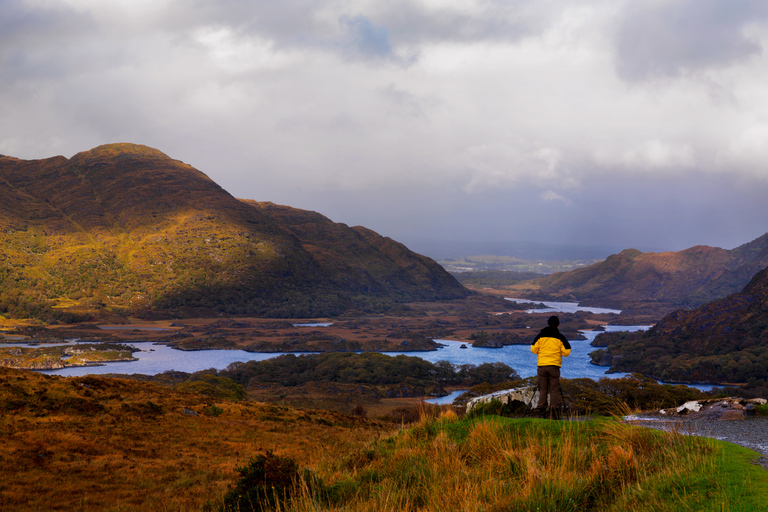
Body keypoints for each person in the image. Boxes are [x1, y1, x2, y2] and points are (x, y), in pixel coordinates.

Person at [530, 315, 571, 419]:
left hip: (542, 366)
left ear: (548, 323)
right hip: (554, 366)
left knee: (542, 389)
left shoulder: (540, 335)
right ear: (557, 325)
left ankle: (541, 412)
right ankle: (554, 413)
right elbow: (567, 352)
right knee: (554, 390)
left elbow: (533, 349)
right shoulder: (560, 337)